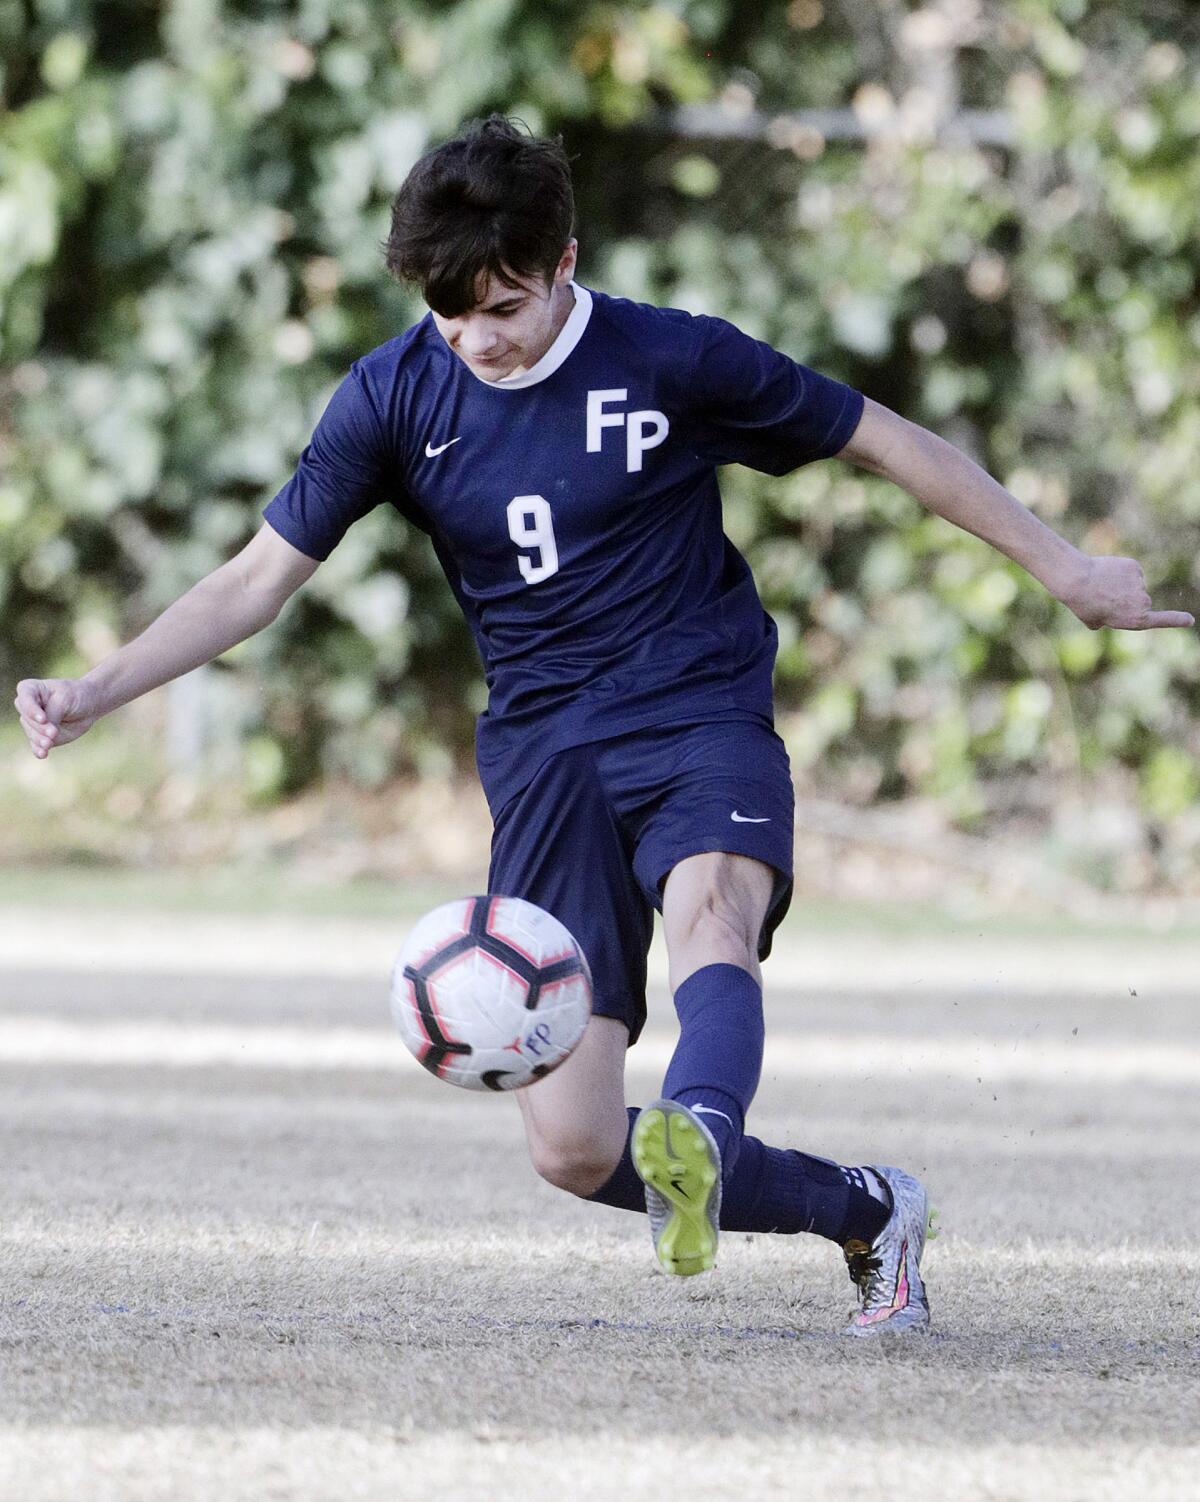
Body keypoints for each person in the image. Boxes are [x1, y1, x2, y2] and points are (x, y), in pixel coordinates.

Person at [14, 116, 1193, 1337]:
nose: (477, 337)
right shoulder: (392, 394)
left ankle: (704, 1131)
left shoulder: (674, 359)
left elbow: (884, 439)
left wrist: (1064, 567)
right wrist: (98, 688)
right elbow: (255, 579)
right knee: (573, 1149)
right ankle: (867, 1206)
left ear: (565, 261)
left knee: (712, 910)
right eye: (449, 311)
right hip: (545, 754)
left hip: (696, 704)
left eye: (506, 306)